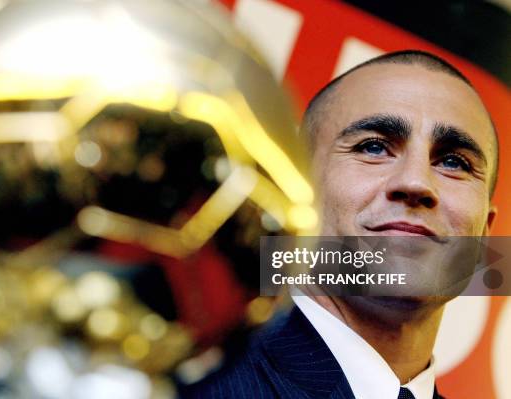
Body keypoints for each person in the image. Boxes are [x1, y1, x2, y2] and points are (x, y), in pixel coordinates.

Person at [181, 50, 499, 399]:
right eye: (374, 147)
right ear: (299, 189)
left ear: (484, 235)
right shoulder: (189, 383)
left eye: (453, 162)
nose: (416, 183)